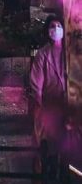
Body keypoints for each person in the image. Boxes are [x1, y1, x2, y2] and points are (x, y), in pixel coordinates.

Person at [29, 15, 68, 157]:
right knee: (49, 140)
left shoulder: (69, 52)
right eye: (52, 26)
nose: (56, 29)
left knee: (66, 140)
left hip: (67, 102)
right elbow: (36, 82)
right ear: (47, 30)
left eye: (59, 26)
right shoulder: (42, 54)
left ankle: (64, 172)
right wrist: (39, 103)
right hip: (49, 103)